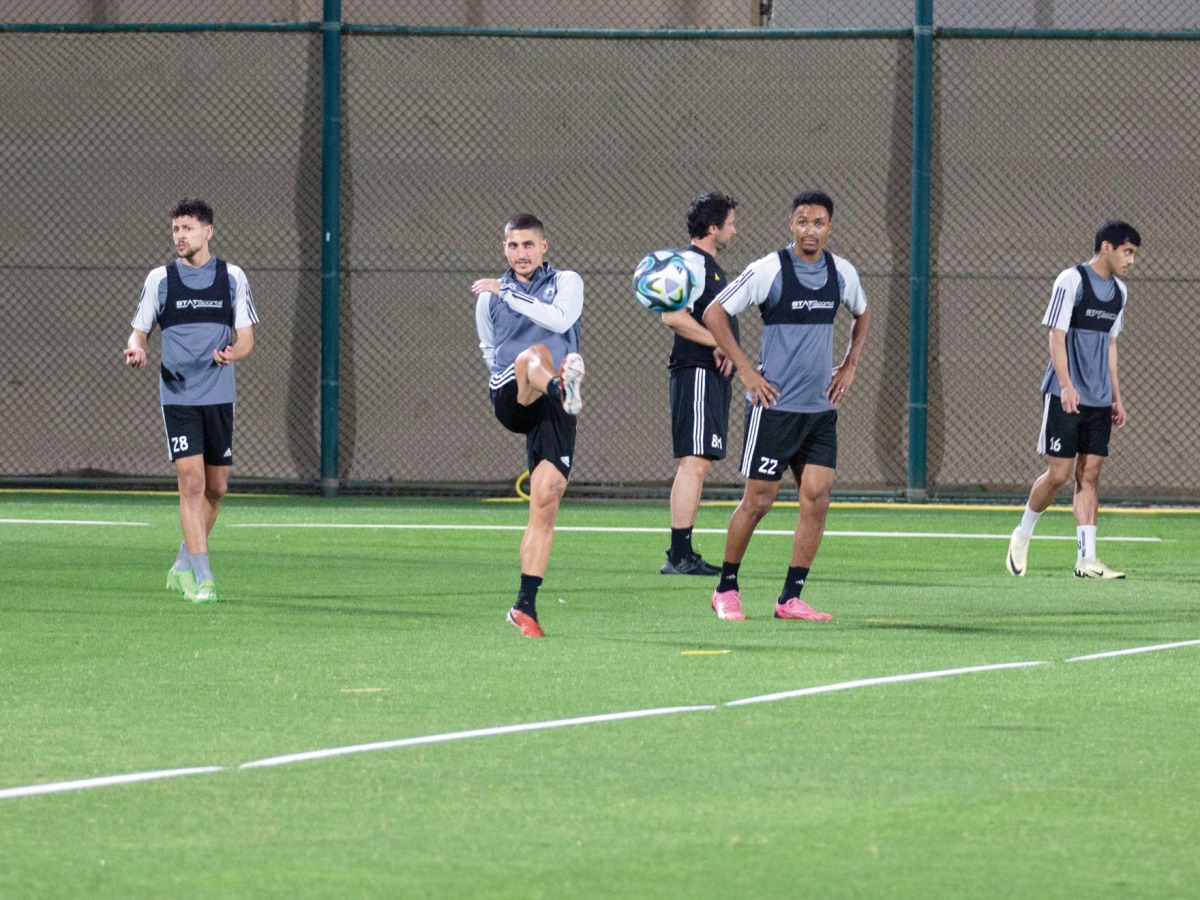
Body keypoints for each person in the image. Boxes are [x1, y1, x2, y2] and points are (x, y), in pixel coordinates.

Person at [701, 190, 870, 621]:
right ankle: (726, 589)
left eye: (818, 223)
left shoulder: (842, 273)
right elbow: (715, 313)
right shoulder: (769, 269)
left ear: (829, 227)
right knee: (759, 501)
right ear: (790, 225)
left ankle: (789, 599)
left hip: (819, 410)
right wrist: (745, 368)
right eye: (801, 222)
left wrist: (850, 363)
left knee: (817, 498)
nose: (809, 230)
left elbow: (862, 313)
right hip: (773, 407)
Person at [123, 198, 259, 603]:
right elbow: (139, 331)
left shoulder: (232, 277)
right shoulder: (160, 280)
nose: (180, 236)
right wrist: (137, 348)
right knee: (193, 483)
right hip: (178, 394)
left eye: (187, 228)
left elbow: (247, 335)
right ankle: (203, 579)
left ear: (207, 232)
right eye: (175, 229)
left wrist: (235, 352)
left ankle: (181, 565)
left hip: (219, 396)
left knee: (217, 488)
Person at [1006, 220, 1140, 579]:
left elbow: (1111, 345)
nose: (1131, 260)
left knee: (1090, 475)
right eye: (1127, 252)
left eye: (1134, 254)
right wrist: (1066, 385)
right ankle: (1023, 533)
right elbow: (1056, 335)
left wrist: (1116, 397)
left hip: (1098, 400)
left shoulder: (1120, 293)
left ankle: (1087, 560)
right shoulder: (1072, 281)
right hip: (1064, 395)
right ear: (1106, 247)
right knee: (1059, 474)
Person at [472, 213, 585, 638]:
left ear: (544, 247)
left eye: (528, 245)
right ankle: (559, 384)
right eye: (513, 246)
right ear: (505, 249)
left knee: (547, 498)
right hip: (513, 389)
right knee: (531, 353)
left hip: (554, 401)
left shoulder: (568, 282)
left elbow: (559, 320)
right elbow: (488, 344)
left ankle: (524, 607)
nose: (521, 253)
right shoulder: (489, 297)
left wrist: (507, 293)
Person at [659, 192, 740, 577]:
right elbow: (671, 317)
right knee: (694, 462)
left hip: (709, 377)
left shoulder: (709, 267)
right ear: (713, 227)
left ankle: (681, 553)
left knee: (698, 463)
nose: (734, 230)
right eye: (731, 223)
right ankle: (679, 555)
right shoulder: (690, 264)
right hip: (695, 373)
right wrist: (721, 343)